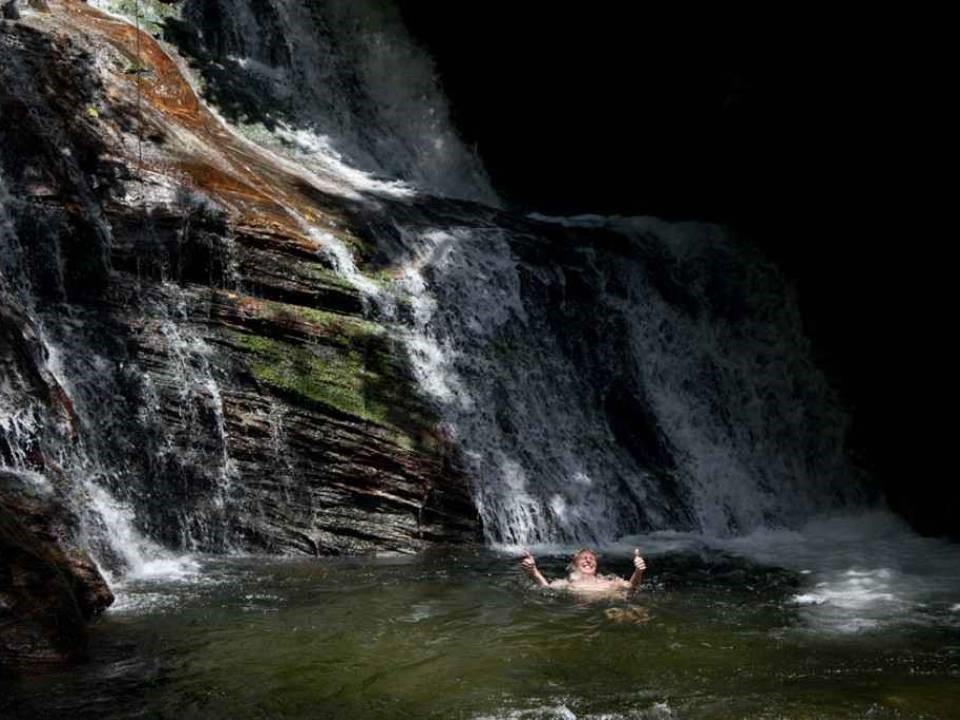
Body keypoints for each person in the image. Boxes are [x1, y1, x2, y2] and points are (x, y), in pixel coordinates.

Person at [520, 547, 646, 594]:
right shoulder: (568, 583)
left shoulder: (609, 580)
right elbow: (546, 588)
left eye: (591, 559)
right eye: (583, 559)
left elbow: (631, 587)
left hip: (614, 604)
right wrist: (533, 572)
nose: (588, 561)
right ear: (574, 565)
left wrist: (638, 571)